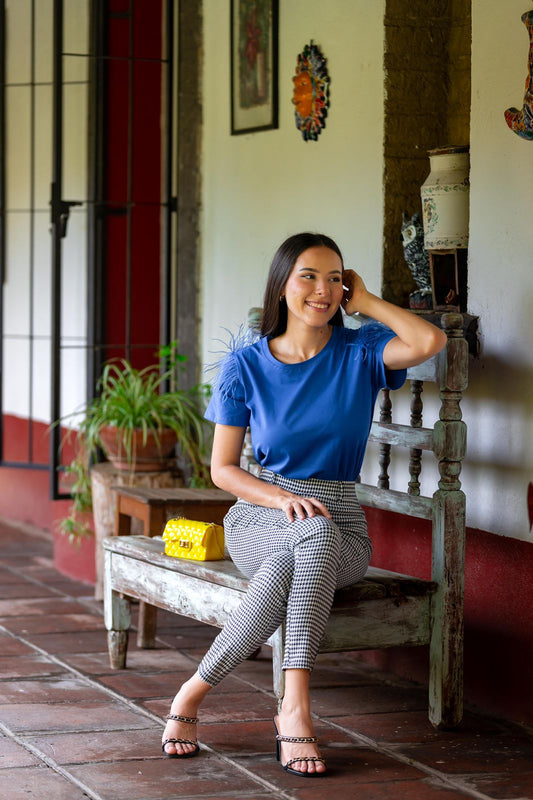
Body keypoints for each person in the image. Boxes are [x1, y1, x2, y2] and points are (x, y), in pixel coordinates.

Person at [161, 232, 447, 777]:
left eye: (335, 277)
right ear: (282, 285)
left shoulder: (361, 352)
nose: (323, 289)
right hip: (260, 514)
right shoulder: (244, 366)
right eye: (308, 276)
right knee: (307, 536)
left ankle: (193, 691)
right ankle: (295, 710)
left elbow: (430, 340)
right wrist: (282, 498)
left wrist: (364, 304)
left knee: (315, 539)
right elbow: (223, 470)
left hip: (343, 523)